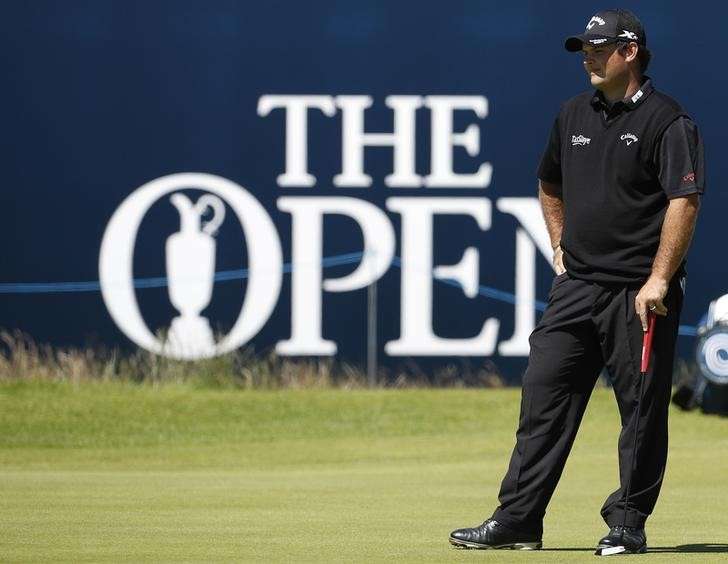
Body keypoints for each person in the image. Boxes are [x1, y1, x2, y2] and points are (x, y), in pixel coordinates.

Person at [449, 9, 704, 554]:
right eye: (584, 48)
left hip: (639, 295)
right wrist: (560, 246)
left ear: (629, 51)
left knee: (639, 413)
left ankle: (627, 523)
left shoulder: (668, 119)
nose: (587, 56)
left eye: (598, 47)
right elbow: (549, 183)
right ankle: (518, 520)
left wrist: (659, 278)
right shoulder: (572, 115)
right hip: (576, 289)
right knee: (543, 401)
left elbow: (684, 201)